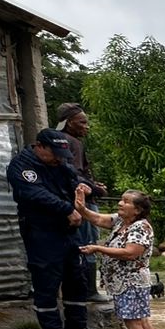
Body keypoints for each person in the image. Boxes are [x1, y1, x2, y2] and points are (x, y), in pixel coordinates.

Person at [7, 129, 101, 329]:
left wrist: (87, 187)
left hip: (68, 231)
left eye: (62, 155)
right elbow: (35, 194)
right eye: (54, 154)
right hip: (41, 231)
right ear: (40, 146)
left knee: (76, 278)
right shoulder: (22, 166)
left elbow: (72, 178)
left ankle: (77, 326)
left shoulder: (59, 164)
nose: (58, 159)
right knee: (47, 280)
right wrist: (67, 209)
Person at [76, 185, 162, 329]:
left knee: (134, 323)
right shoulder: (121, 221)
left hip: (131, 282)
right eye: (121, 200)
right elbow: (97, 218)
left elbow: (130, 253)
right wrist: (82, 209)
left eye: (126, 202)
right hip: (127, 282)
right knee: (142, 321)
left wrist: (98, 248)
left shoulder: (140, 227)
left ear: (137, 210)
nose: (120, 203)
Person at [56, 102, 108, 302]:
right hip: (81, 200)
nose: (87, 126)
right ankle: (89, 291)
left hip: (69, 201)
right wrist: (95, 189)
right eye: (82, 122)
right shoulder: (72, 142)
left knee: (75, 243)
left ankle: (74, 289)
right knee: (88, 242)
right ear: (69, 123)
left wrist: (93, 183)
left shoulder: (60, 141)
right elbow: (74, 176)